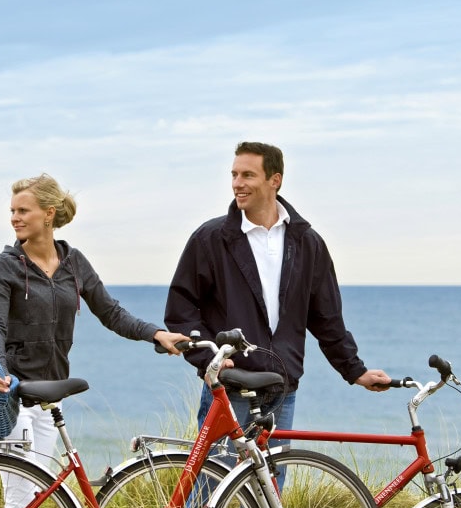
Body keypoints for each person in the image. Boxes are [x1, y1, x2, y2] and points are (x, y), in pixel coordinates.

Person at [0, 173, 188, 508]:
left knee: (33, 494)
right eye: (12, 211)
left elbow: (111, 312)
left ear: (49, 214)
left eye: (22, 210)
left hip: (50, 396)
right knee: (20, 495)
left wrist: (156, 333)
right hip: (12, 393)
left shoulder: (74, 262)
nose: (14, 218)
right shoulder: (5, 266)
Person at [165, 141, 391, 451]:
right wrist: (209, 360)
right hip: (230, 385)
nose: (237, 184)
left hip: (281, 388)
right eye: (234, 175)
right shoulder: (210, 239)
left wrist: (355, 371)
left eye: (248, 175)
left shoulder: (307, 243)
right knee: (212, 486)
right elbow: (181, 310)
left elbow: (326, 317)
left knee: (270, 491)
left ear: (275, 180)